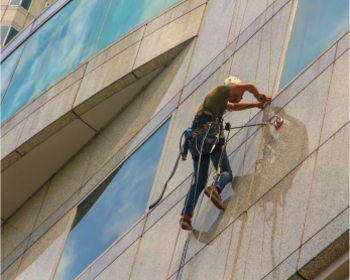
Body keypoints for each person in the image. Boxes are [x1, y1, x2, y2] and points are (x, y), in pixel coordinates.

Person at [180, 77, 271, 231]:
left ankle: (186, 216)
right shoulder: (221, 90)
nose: (240, 97)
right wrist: (259, 96)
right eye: (240, 94)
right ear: (234, 88)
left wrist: (256, 105)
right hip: (209, 136)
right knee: (226, 171)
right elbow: (249, 86)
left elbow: (235, 107)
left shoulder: (217, 102)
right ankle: (216, 188)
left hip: (194, 142)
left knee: (199, 182)